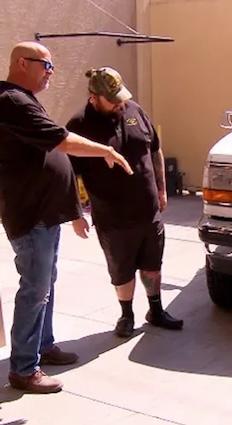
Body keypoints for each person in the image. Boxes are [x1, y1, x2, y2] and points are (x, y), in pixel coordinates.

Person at [0, 41, 133, 393]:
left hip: (45, 213)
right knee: (35, 288)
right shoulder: (11, 101)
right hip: (31, 215)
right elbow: (61, 140)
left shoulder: (24, 99)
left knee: (45, 284)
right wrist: (105, 150)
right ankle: (24, 369)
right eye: (47, 66)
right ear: (22, 63)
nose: (51, 73)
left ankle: (42, 346)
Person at [67, 67, 183, 340]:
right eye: (112, 100)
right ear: (93, 97)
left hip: (148, 209)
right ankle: (126, 314)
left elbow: (154, 148)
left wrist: (162, 189)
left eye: (120, 96)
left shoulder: (134, 110)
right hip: (113, 216)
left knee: (152, 263)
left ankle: (156, 310)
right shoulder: (79, 125)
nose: (120, 103)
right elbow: (69, 174)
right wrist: (75, 214)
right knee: (122, 269)